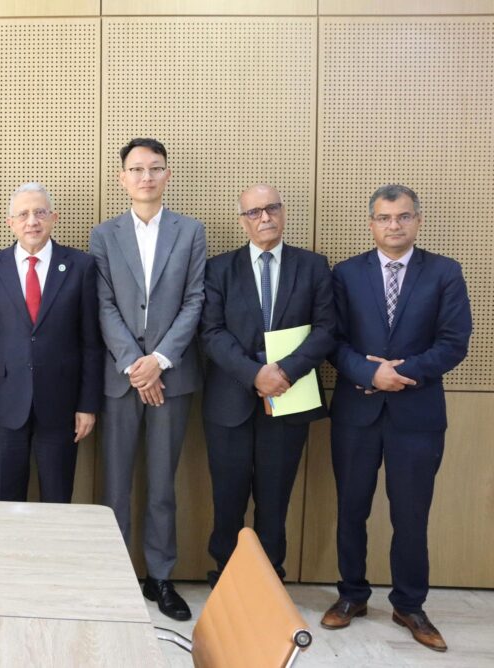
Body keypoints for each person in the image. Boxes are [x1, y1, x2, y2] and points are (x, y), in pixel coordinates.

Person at [321, 185, 471, 652]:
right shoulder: (346, 273)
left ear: (417, 221)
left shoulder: (444, 272)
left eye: (403, 217)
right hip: (356, 412)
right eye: (385, 218)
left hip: (417, 414)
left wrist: (398, 374)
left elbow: (454, 342)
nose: (394, 225)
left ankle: (409, 604)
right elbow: (332, 340)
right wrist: (370, 373)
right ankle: (352, 595)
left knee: (411, 515)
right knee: (352, 508)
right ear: (372, 223)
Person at [89, 138, 206, 621]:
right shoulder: (104, 234)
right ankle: (114, 576)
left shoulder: (190, 231)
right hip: (122, 378)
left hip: (170, 378)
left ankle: (160, 576)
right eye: (136, 169)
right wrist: (135, 366)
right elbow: (104, 304)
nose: (146, 177)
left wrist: (158, 360)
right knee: (115, 485)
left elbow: (194, 300)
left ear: (167, 175)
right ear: (123, 178)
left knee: (161, 483)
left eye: (155, 168)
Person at [200, 184, 335, 586]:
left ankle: (269, 581)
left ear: (283, 212)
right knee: (227, 498)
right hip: (229, 403)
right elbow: (211, 332)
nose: (265, 218)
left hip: (289, 399)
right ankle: (226, 579)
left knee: (275, 500)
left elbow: (327, 329)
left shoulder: (312, 266)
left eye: (272, 208)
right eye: (254, 212)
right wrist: (254, 374)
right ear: (243, 220)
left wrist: (286, 372)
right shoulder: (219, 269)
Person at [0, 183, 102, 503]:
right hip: (4, 404)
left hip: (61, 404)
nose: (32, 221)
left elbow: (91, 343)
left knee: (58, 498)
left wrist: (87, 404)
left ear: (54, 218)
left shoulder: (81, 267)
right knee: (6, 498)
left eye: (40, 212)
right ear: (10, 223)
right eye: (23, 214)